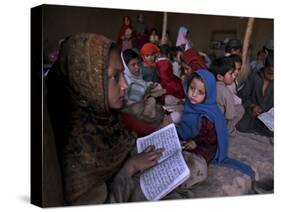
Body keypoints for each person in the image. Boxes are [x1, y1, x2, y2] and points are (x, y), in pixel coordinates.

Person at [46, 33, 166, 205]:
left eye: (123, 74)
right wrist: (130, 168)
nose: (125, 85)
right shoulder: (79, 153)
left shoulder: (103, 115)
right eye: (115, 77)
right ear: (87, 81)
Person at [175, 70, 255, 182]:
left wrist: (195, 142)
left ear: (208, 95)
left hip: (206, 146)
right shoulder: (191, 105)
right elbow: (186, 124)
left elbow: (211, 139)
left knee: (193, 166)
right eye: (192, 88)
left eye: (200, 92)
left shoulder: (208, 116)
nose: (193, 94)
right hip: (191, 141)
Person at [120, 49, 166, 134]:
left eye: (138, 64)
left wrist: (150, 85)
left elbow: (142, 83)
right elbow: (129, 102)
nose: (137, 67)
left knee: (155, 100)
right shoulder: (125, 81)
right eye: (133, 65)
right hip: (133, 109)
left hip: (143, 102)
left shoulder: (137, 75)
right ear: (125, 67)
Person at [237, 53, 274, 137]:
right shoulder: (253, 77)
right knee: (241, 127)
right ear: (264, 66)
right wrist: (252, 106)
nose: (272, 77)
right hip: (251, 114)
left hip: (269, 119)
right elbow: (242, 96)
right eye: (270, 73)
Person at [210, 57, 244, 137]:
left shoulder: (210, 85)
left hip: (209, 118)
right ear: (220, 77)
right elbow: (230, 115)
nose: (234, 76)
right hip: (219, 121)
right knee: (240, 109)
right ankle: (228, 129)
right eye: (230, 74)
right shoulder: (226, 92)